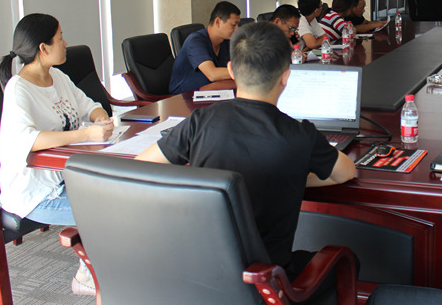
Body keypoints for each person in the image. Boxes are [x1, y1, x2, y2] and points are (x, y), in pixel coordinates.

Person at [136, 22, 356, 300]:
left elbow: (138, 168)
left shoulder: (200, 121)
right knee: (348, 262)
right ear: (286, 77)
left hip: (198, 277)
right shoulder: (300, 134)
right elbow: (345, 172)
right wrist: (292, 176)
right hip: (268, 284)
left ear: (230, 70)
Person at [0, 13, 114, 295]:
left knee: (120, 193)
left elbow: (89, 105)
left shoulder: (57, 77)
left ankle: (117, 268)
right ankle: (86, 276)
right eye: (60, 37)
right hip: (35, 192)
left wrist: (99, 117)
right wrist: (85, 135)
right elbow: (28, 139)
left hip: (66, 178)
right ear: (43, 48)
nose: (65, 43)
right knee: (105, 210)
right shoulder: (18, 89)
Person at [168, 1, 241, 94]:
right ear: (218, 22)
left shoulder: (226, 41)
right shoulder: (195, 41)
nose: (237, 29)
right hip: (184, 95)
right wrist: (246, 72)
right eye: (233, 25)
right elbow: (212, 74)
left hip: (211, 90)